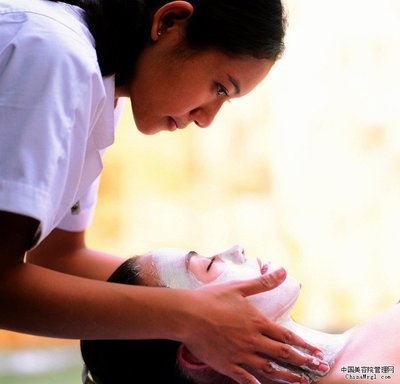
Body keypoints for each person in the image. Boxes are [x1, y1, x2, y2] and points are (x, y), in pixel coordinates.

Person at [0, 1, 328, 383]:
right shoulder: (56, 55)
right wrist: (191, 314)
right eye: (219, 87)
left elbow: (58, 257)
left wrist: (212, 302)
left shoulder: (96, 94)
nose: (207, 118)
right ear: (168, 22)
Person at [80, 245, 400, 384]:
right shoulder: (356, 374)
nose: (237, 250)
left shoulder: (352, 364)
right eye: (208, 265)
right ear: (198, 351)